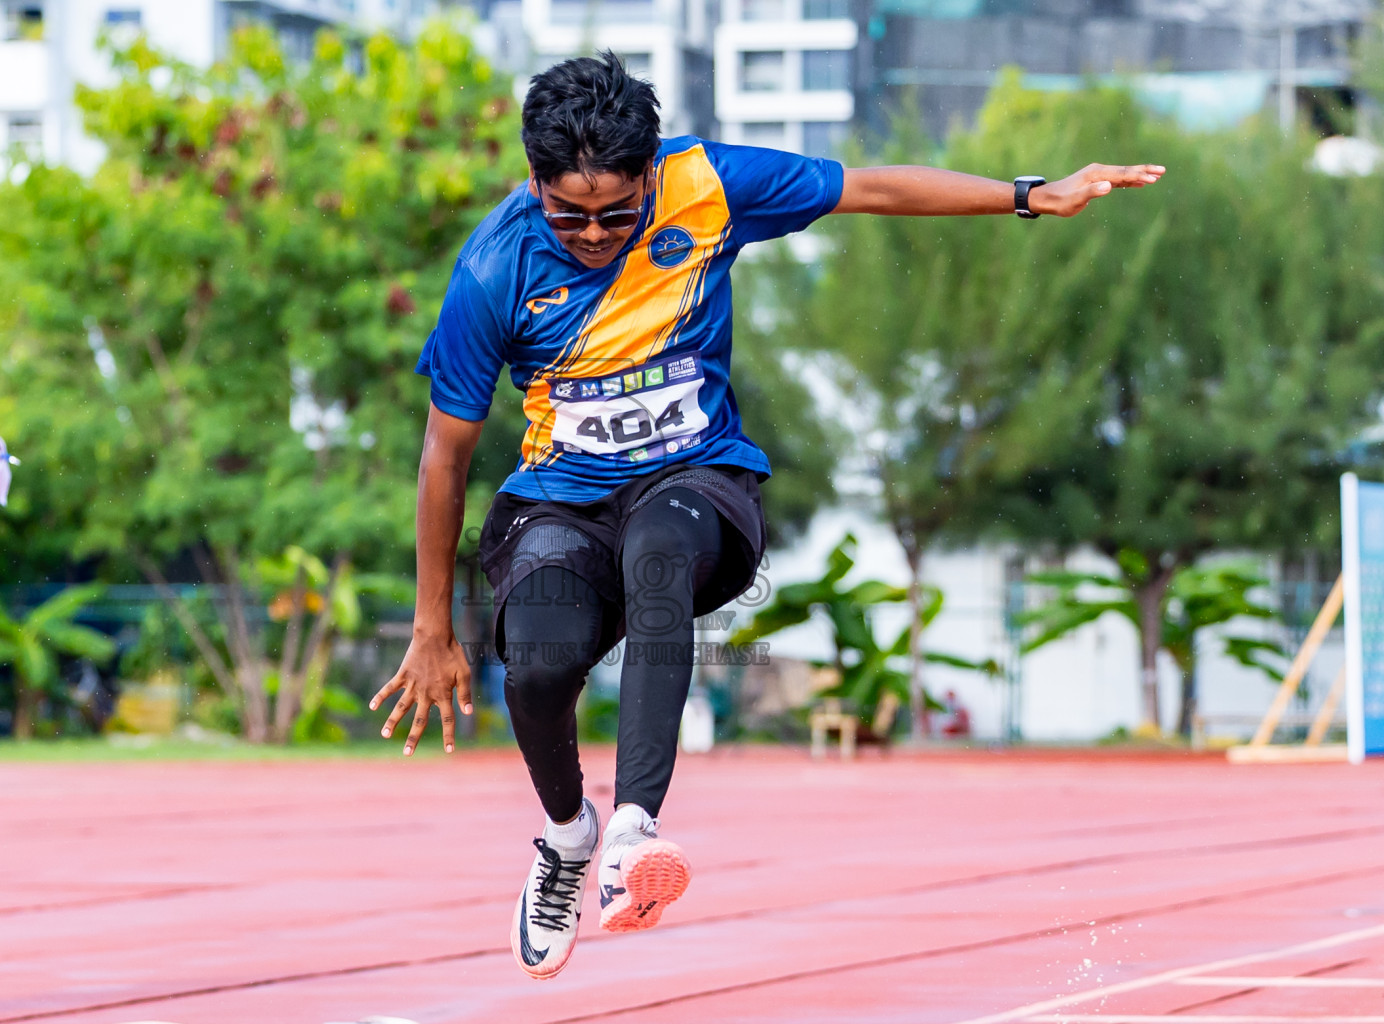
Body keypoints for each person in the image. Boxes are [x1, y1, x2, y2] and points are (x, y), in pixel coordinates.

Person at [370, 53, 1163, 980]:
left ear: (652, 172)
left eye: (618, 214)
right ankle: (568, 837)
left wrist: (1029, 194)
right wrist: (432, 623)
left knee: (658, 550)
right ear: (535, 180)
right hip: (563, 495)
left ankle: (632, 835)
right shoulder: (494, 267)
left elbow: (871, 188)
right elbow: (446, 454)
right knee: (540, 669)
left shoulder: (709, 185)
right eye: (569, 213)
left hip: (698, 482)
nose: (592, 233)